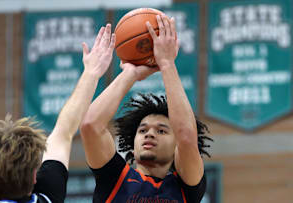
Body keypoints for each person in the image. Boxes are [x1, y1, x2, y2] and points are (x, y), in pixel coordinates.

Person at [0, 24, 116, 203]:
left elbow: (63, 133)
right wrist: (91, 73)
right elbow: (63, 132)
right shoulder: (47, 197)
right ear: (35, 177)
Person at [80, 15, 212, 203]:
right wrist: (130, 74)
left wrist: (167, 64)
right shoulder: (115, 178)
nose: (149, 134)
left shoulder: (185, 187)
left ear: (177, 148)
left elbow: (186, 135)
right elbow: (90, 125)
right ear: (133, 145)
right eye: (142, 130)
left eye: (161, 130)